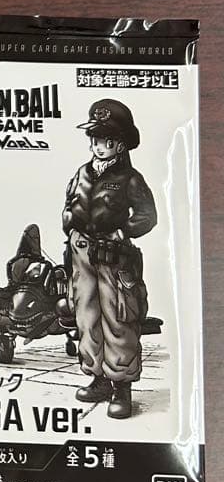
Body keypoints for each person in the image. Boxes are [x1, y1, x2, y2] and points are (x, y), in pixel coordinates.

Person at [62, 99, 157, 419]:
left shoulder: (130, 178)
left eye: (106, 140)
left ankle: (121, 387)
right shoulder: (82, 173)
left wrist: (122, 232)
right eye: (95, 138)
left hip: (113, 258)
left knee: (118, 319)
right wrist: (69, 224)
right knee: (86, 317)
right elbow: (70, 203)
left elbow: (147, 215)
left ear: (121, 144)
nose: (98, 145)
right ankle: (98, 378)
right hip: (82, 256)